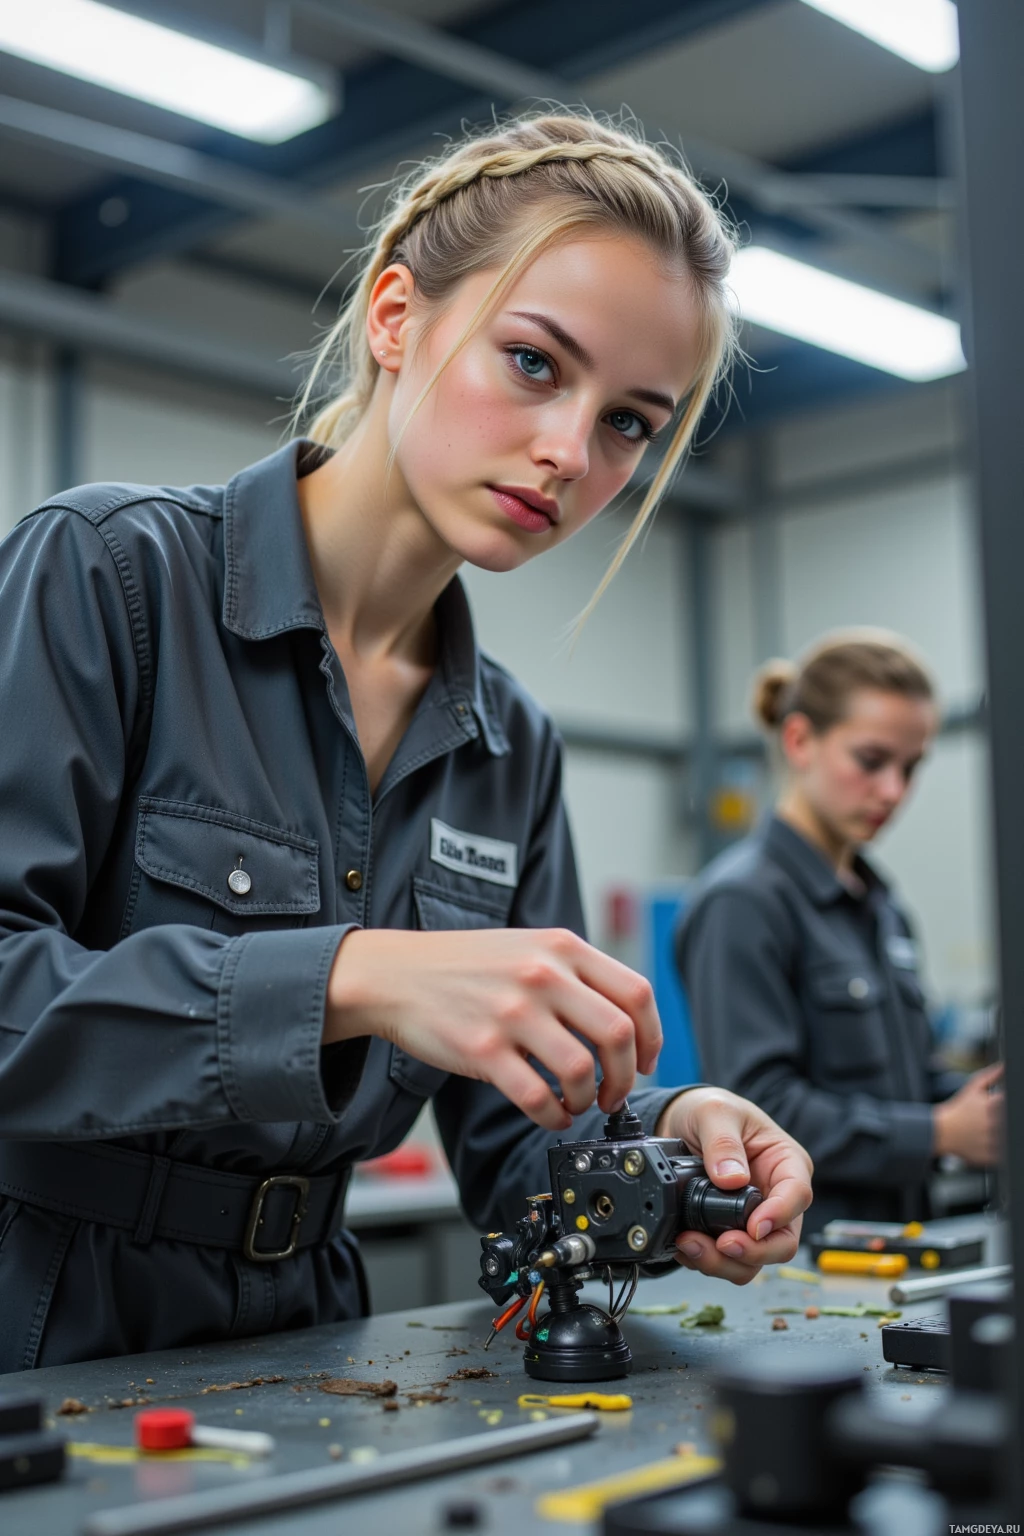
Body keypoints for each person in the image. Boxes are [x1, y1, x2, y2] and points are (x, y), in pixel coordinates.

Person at [0, 111, 812, 1372]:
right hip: (41, 1320)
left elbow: (516, 1148)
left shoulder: (511, 748)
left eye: (628, 424)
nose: (567, 453)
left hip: (314, 1344)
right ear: (395, 317)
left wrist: (675, 1143)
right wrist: (350, 978)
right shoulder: (109, 578)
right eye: (537, 363)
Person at [676, 630, 1002, 1231]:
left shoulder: (881, 907)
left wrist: (978, 1104)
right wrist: (938, 1132)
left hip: (903, 1246)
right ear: (800, 739)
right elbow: (761, 1107)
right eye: (872, 761)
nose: (894, 791)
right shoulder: (741, 903)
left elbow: (911, 1079)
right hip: (806, 1261)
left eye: (911, 767)